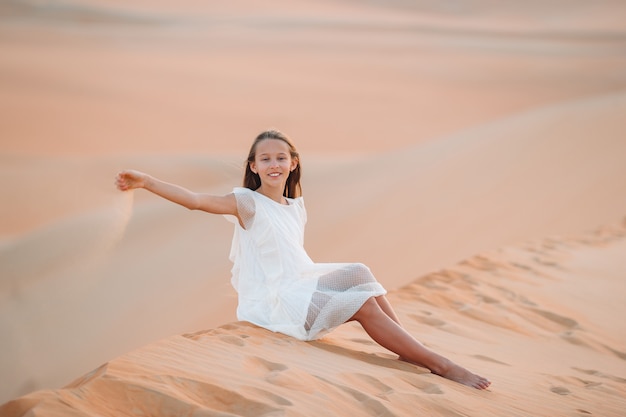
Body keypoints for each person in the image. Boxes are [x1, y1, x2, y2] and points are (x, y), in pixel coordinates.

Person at [115, 129, 491, 390]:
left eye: (281, 157)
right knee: (361, 302)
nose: (273, 164)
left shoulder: (295, 206)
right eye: (265, 159)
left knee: (360, 271)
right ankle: (440, 364)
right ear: (253, 166)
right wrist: (148, 182)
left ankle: (410, 350)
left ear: (293, 163)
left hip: (300, 282)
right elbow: (196, 201)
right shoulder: (246, 202)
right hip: (279, 301)